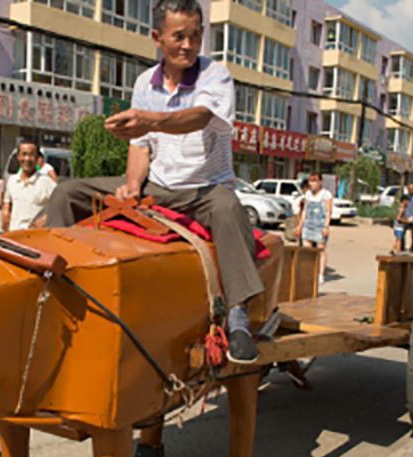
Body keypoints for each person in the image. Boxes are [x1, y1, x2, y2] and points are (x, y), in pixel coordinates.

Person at [45, 0, 264, 363]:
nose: (188, 45)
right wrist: (132, 185)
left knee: (229, 208)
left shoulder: (215, 75)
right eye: (179, 36)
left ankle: (238, 315)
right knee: (66, 193)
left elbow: (197, 118)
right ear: (157, 38)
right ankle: (55, 288)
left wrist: (150, 119)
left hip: (206, 188)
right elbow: (140, 147)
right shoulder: (145, 82)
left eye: (196, 36)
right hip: (158, 185)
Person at [3, 139, 56, 232]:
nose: (27, 159)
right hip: (14, 235)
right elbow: (7, 205)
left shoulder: (46, 182)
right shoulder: (12, 181)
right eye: (24, 154)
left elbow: (59, 205)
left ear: (37, 158)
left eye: (31, 155)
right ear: (18, 157)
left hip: (35, 238)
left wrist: (44, 219)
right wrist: (5, 219)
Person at [294, 172, 333, 286]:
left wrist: (326, 226)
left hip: (320, 225)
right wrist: (300, 226)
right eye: (311, 180)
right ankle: (309, 272)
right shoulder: (308, 195)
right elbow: (305, 211)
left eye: (315, 180)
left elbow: (328, 211)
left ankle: (320, 275)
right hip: (308, 225)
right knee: (308, 251)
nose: (313, 183)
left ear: (320, 181)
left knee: (321, 250)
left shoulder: (326, 195)